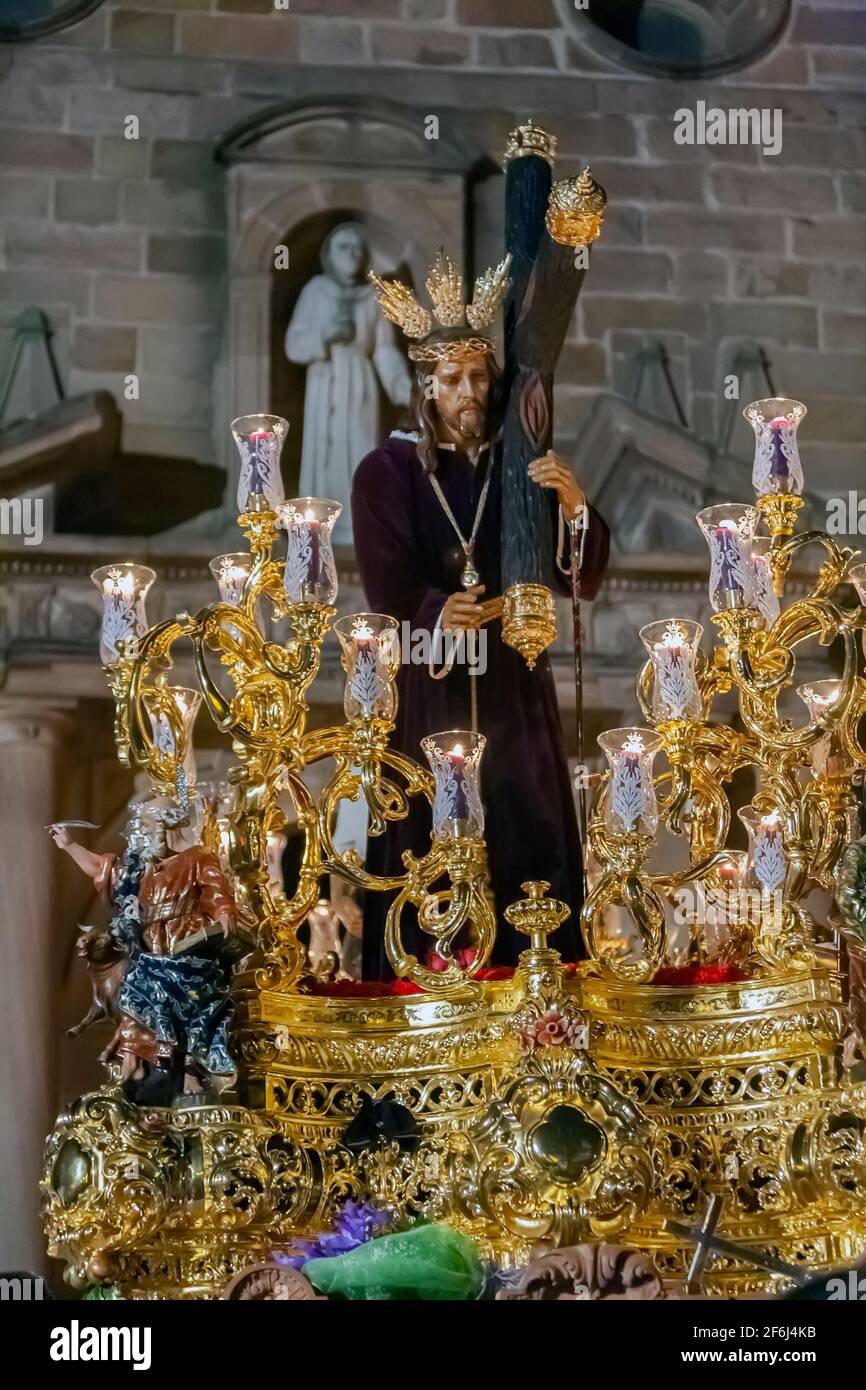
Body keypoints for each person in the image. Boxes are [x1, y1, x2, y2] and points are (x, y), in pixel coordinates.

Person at [351, 255, 610, 979]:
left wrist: (572, 506)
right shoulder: (387, 471)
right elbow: (387, 585)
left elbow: (578, 579)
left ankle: (536, 988)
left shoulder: (520, 462)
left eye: (479, 376)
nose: (470, 392)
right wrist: (439, 609)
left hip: (512, 683)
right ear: (425, 388)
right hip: (432, 684)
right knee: (424, 834)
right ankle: (427, 989)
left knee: (526, 826)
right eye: (453, 379)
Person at [51, 800, 244, 1100]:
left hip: (188, 945)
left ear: (166, 826)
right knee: (131, 992)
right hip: (152, 949)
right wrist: (69, 845)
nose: (139, 835)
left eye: (145, 826)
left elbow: (215, 889)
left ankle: (190, 1070)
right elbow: (102, 869)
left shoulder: (197, 858)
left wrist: (223, 912)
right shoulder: (140, 873)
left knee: (183, 995)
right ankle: (135, 1064)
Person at [285, 222, 411, 544]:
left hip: (360, 385)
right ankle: (318, 529)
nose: (352, 254)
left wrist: (402, 387)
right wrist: (325, 336)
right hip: (325, 379)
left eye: (357, 248)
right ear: (329, 254)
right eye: (344, 247)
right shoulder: (315, 290)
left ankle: (358, 527)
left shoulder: (373, 294)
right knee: (325, 453)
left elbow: (384, 348)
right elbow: (294, 344)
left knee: (359, 449)